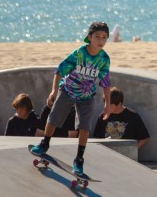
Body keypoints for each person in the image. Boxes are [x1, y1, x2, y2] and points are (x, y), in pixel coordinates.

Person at [30, 22, 112, 177]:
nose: (100, 40)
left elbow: (106, 83)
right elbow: (60, 70)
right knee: (53, 118)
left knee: (85, 126)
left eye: (104, 38)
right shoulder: (80, 53)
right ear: (89, 37)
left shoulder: (104, 59)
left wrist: (107, 104)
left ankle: (79, 159)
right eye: (97, 37)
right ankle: (44, 143)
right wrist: (54, 91)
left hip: (87, 96)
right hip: (67, 90)